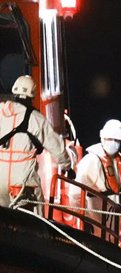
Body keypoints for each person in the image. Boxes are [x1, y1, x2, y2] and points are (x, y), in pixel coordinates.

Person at [0, 75, 74, 213]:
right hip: (21, 185)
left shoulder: (1, 112)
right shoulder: (36, 118)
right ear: (32, 94)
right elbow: (56, 147)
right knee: (37, 211)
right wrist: (68, 167)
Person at [69, 119, 121, 236]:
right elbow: (75, 194)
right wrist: (83, 219)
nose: (114, 143)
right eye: (110, 139)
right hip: (94, 220)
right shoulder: (90, 161)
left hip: (114, 222)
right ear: (103, 138)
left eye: (117, 140)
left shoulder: (120, 162)